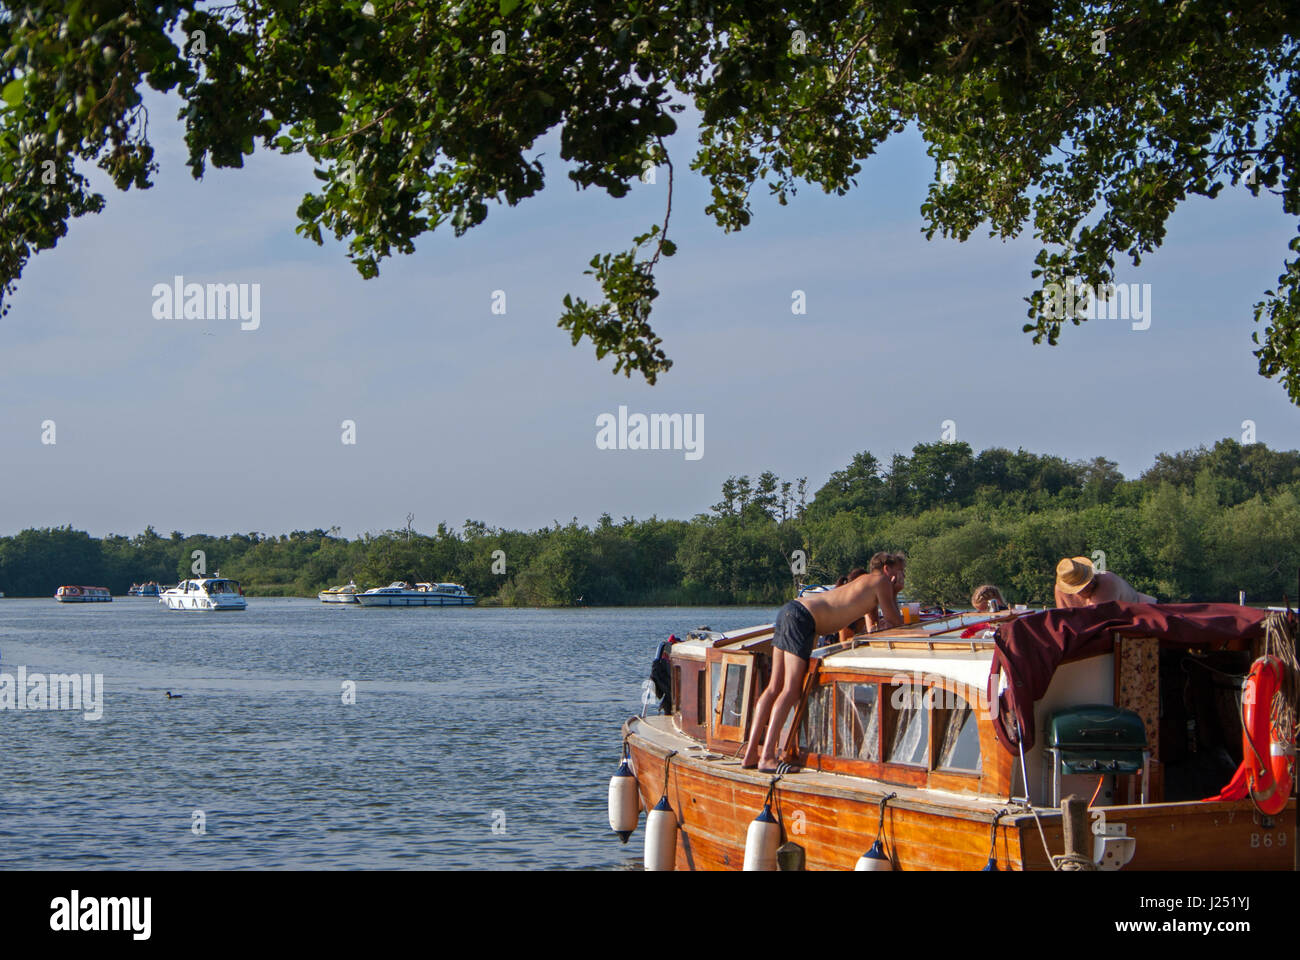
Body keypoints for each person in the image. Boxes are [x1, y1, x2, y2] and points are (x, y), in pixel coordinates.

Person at [741, 553, 906, 773]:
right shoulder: (882, 582)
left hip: (791, 611)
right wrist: (895, 591)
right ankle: (768, 757)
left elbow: (872, 627)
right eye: (901, 571)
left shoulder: (865, 583)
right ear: (887, 569)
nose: (902, 576)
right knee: (790, 690)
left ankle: (751, 754)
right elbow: (896, 621)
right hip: (804, 619)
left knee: (774, 687)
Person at [1054, 556, 1156, 608]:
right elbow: (1065, 622)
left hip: (1148, 614)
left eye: (1091, 577)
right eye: (1086, 583)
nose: (1093, 582)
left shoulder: (1107, 581)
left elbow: (1099, 620)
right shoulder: (1061, 591)